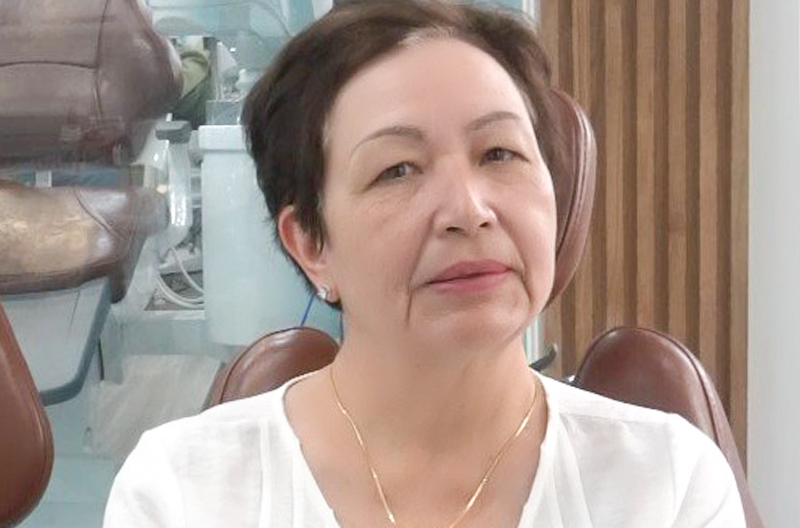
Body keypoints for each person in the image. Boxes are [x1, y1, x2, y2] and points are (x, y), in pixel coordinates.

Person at [103, 1, 747, 527]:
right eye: (398, 170)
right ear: (311, 245)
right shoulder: (183, 494)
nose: (469, 211)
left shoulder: (665, 483)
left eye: (499, 154)